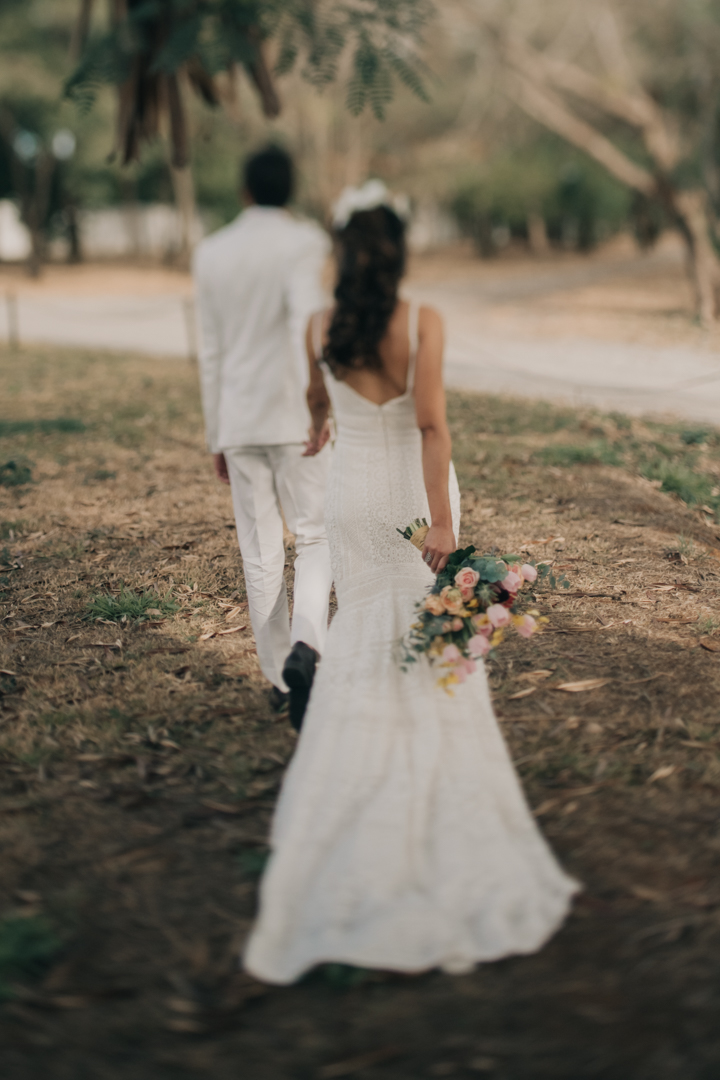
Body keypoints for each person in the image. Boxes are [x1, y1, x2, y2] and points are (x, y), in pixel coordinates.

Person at [243, 181, 579, 984]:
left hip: (353, 502)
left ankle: (354, 810)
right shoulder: (422, 321)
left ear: (342, 257)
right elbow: (431, 426)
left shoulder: (321, 327)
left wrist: (327, 425)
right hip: (411, 502)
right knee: (428, 650)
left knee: (362, 637)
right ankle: (425, 803)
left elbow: (316, 408)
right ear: (399, 254)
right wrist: (442, 526)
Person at [193, 145, 334, 726]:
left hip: (241, 419)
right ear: (290, 188)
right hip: (297, 417)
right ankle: (308, 645)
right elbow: (311, 320)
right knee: (315, 536)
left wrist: (215, 434)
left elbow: (210, 350)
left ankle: (279, 677)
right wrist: (319, 401)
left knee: (260, 550)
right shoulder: (305, 243)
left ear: (244, 190)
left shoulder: (211, 251)